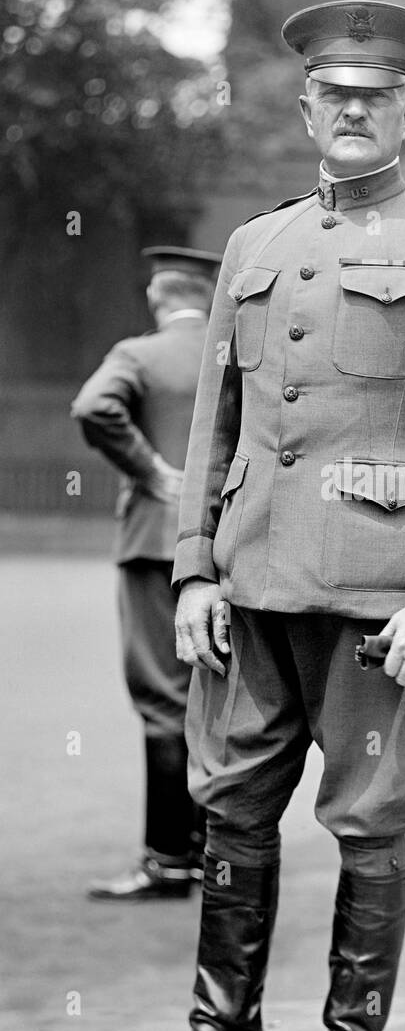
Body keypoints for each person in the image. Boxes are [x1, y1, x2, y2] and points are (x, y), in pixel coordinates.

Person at [94, 0, 405, 1031]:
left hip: (382, 601)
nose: (350, 111)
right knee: (231, 811)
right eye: (331, 94)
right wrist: (193, 568)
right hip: (249, 592)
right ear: (305, 107)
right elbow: (217, 428)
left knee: (369, 820)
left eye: (373, 95)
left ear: (404, 109)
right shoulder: (258, 244)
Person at [72, 247, 221, 900]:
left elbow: (92, 408)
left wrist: (150, 470)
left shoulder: (138, 353)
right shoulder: (234, 353)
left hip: (156, 543)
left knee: (163, 700)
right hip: (226, 547)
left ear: (158, 297)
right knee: (219, 700)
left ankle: (167, 861)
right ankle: (215, 854)